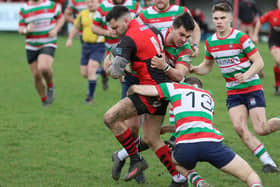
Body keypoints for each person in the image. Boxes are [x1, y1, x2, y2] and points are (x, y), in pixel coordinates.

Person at [111, 12, 210, 187]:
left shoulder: (185, 50)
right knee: (133, 128)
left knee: (150, 137)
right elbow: (127, 44)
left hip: (160, 90)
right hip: (135, 80)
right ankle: (133, 161)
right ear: (171, 28)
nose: (183, 40)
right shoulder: (155, 34)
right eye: (180, 35)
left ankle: (126, 158)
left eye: (187, 36)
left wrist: (164, 66)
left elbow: (180, 75)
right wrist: (110, 59)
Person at [191, 2, 280, 173]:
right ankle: (269, 163)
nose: (219, 21)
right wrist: (195, 69)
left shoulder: (241, 38)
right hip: (233, 91)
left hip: (251, 87)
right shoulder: (210, 43)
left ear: (231, 18)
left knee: (261, 129)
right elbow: (207, 66)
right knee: (239, 128)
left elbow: (259, 62)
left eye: (223, 18)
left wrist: (246, 75)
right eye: (216, 18)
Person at [127, 76, 264, 187]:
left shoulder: (175, 87)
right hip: (211, 143)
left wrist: (132, 88)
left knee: (175, 161)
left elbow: (146, 90)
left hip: (186, 146)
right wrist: (167, 129)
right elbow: (196, 120)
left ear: (184, 84)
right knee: (250, 175)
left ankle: (198, 181)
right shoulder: (209, 96)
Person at [18, 0, 65, 106]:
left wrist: (56, 29)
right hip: (31, 45)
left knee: (43, 67)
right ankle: (44, 100)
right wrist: (26, 30)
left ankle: (50, 86)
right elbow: (20, 29)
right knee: (36, 75)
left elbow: (61, 18)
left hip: (48, 42)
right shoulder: (24, 9)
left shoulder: (50, 4)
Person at [66, 0, 105, 104]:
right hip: (86, 45)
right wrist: (70, 39)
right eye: (88, 2)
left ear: (98, 2)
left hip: (99, 45)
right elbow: (76, 27)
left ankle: (90, 98)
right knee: (84, 73)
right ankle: (102, 71)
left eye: (92, 1)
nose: (90, 4)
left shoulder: (103, 14)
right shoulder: (82, 14)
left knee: (91, 69)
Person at [253, 0, 280, 95]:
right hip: (274, 42)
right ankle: (277, 84)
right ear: (277, 4)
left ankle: (277, 85)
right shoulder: (272, 14)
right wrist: (255, 34)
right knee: (278, 61)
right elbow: (260, 21)